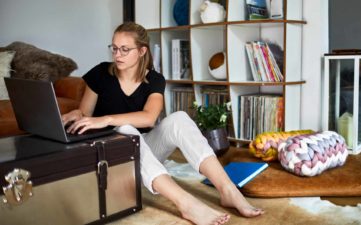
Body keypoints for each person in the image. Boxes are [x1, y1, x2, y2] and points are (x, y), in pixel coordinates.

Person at [62, 22, 264, 225]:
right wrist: (76, 113)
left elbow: (149, 117)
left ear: (142, 51)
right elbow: (85, 113)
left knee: (180, 118)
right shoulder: (100, 73)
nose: (117, 55)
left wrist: (107, 119)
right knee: (126, 130)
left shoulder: (155, 79)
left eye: (125, 49)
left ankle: (227, 190)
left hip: (144, 153)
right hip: (113, 159)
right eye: (114, 48)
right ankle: (187, 204)